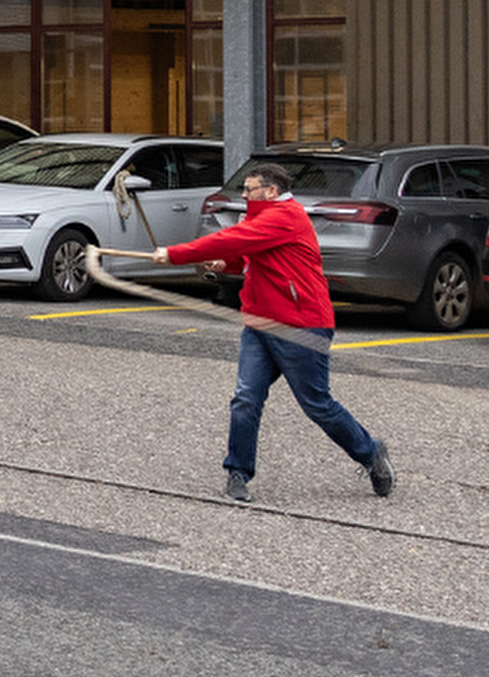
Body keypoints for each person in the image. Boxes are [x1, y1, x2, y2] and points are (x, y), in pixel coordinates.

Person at [147, 162, 392, 503]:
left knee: (317, 405)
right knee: (246, 398)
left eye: (249, 189)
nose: (244, 195)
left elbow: (232, 238)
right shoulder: (260, 217)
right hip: (260, 323)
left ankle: (370, 453)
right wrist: (226, 264)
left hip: (300, 325)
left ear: (271, 191)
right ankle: (238, 471)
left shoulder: (283, 216)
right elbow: (245, 253)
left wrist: (175, 254)